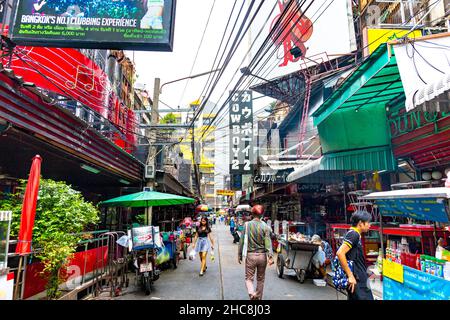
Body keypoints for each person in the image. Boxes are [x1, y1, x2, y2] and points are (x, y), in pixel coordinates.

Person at [238, 205, 274, 300]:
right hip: (262, 257)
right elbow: (268, 242)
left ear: (252, 214)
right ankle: (258, 297)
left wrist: (239, 255)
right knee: (260, 279)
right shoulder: (266, 226)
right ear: (262, 214)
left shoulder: (246, 225)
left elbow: (241, 241)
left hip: (250, 256)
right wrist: (270, 256)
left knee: (249, 278)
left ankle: (251, 293)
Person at [336, 211, 374, 300]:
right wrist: (350, 276)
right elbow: (340, 253)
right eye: (368, 222)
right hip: (357, 278)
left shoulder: (354, 234)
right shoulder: (354, 234)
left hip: (358, 276)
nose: (370, 225)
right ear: (360, 223)